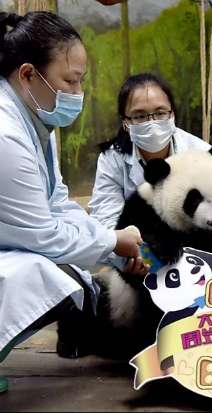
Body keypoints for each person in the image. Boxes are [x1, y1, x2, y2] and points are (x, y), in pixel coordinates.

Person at [0, 12, 142, 393]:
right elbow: (45, 234)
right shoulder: (6, 134)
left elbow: (58, 203)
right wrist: (114, 243)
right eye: (70, 81)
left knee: (69, 276)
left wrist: (111, 245)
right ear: (28, 74)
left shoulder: (33, 124)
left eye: (80, 81)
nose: (77, 93)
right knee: (49, 276)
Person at [89, 73, 211, 275]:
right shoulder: (112, 159)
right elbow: (106, 217)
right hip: (134, 253)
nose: (152, 122)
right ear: (126, 122)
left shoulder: (201, 153)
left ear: (172, 114)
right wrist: (131, 254)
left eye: (160, 112)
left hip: (194, 257)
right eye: (140, 116)